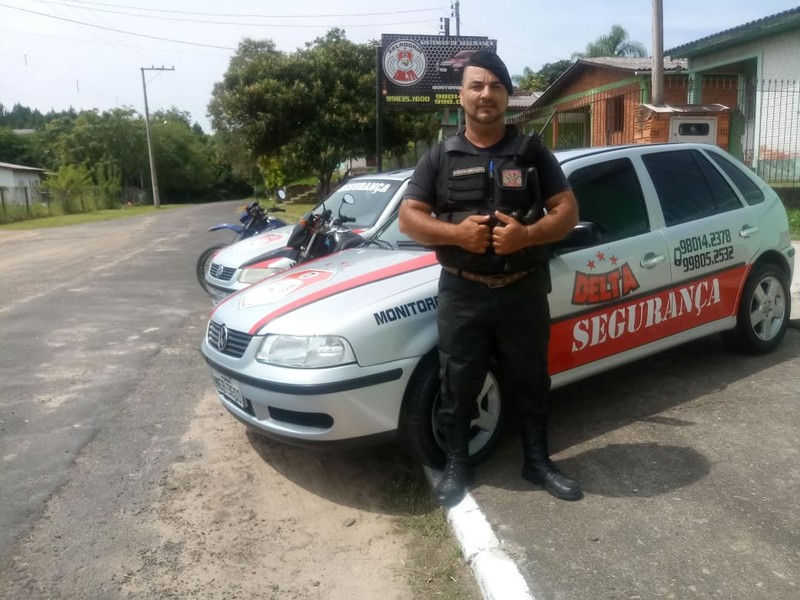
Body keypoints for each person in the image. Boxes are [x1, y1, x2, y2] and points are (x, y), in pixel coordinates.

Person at [398, 49, 582, 507]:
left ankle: (537, 460)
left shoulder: (533, 153)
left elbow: (567, 211)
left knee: (531, 378)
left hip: (523, 288)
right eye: (476, 85)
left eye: (496, 86)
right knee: (457, 381)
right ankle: (457, 464)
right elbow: (409, 218)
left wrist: (527, 236)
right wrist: (456, 233)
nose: (486, 94)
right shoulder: (439, 157)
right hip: (462, 292)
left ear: (507, 95)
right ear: (461, 96)